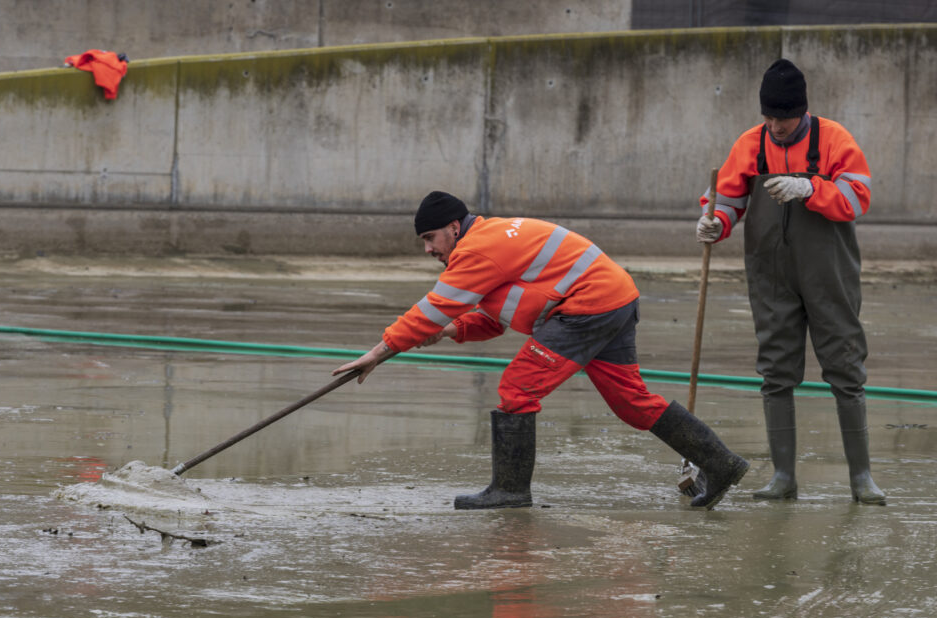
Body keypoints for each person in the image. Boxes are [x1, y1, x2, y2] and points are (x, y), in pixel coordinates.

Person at [333, 190, 749, 510]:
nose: (428, 249)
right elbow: (498, 316)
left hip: (588, 307)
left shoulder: (475, 250)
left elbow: (431, 309)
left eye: (430, 237)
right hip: (614, 298)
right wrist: (450, 333)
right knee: (631, 402)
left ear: (454, 228)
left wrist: (379, 351)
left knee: (518, 388)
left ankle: (509, 491)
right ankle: (721, 463)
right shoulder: (491, 241)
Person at [695, 58, 885, 504]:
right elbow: (727, 199)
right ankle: (783, 477)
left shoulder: (835, 140)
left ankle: (862, 478)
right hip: (770, 273)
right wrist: (714, 223)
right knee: (776, 371)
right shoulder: (751, 143)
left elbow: (859, 198)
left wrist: (811, 190)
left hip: (829, 272)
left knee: (844, 365)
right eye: (769, 117)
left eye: (783, 117)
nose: (776, 126)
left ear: (802, 110)